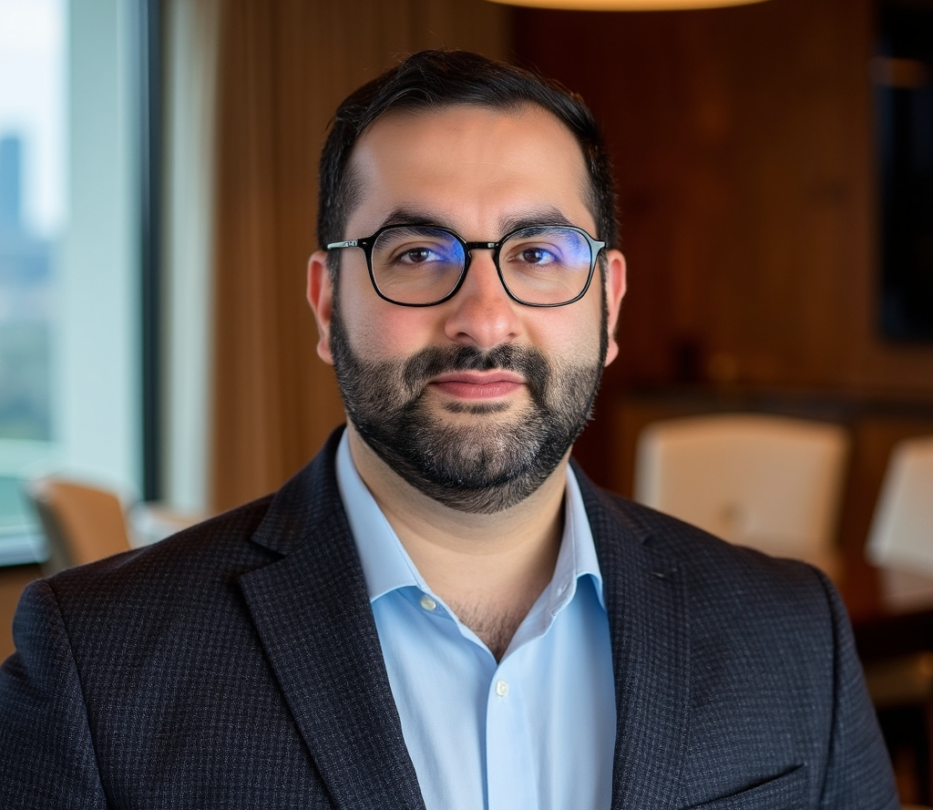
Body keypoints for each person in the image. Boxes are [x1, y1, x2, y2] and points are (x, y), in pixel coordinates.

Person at [0, 49, 897, 810]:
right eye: (417, 255)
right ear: (326, 303)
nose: (483, 318)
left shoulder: (792, 636)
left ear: (609, 301)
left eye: (538, 255)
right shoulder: (97, 661)